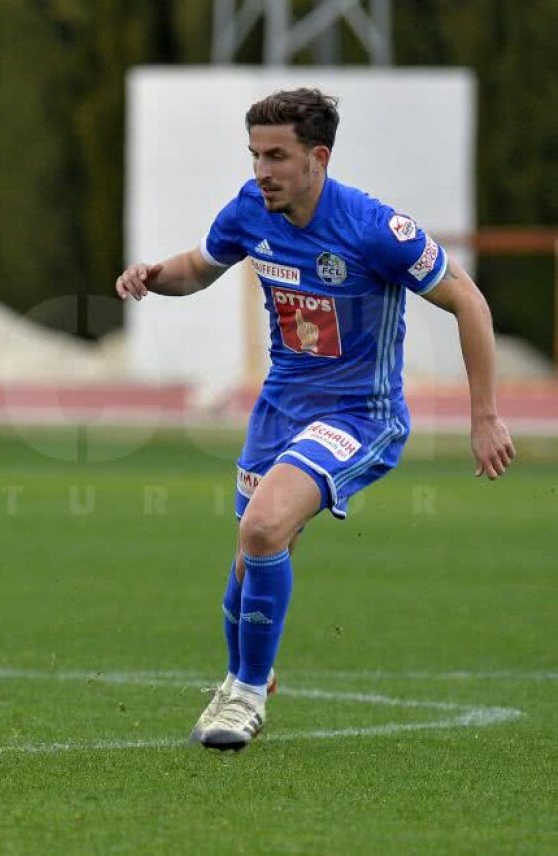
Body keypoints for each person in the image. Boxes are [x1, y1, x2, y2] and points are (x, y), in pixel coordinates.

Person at [115, 88, 514, 752]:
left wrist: (484, 415)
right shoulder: (250, 210)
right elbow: (200, 268)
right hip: (280, 407)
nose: (262, 170)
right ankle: (244, 676)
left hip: (360, 414)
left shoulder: (375, 230)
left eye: (277, 155)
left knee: (264, 525)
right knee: (250, 557)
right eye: (254, 155)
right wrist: (154, 276)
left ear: (318, 157)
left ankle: (245, 693)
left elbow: (468, 301)